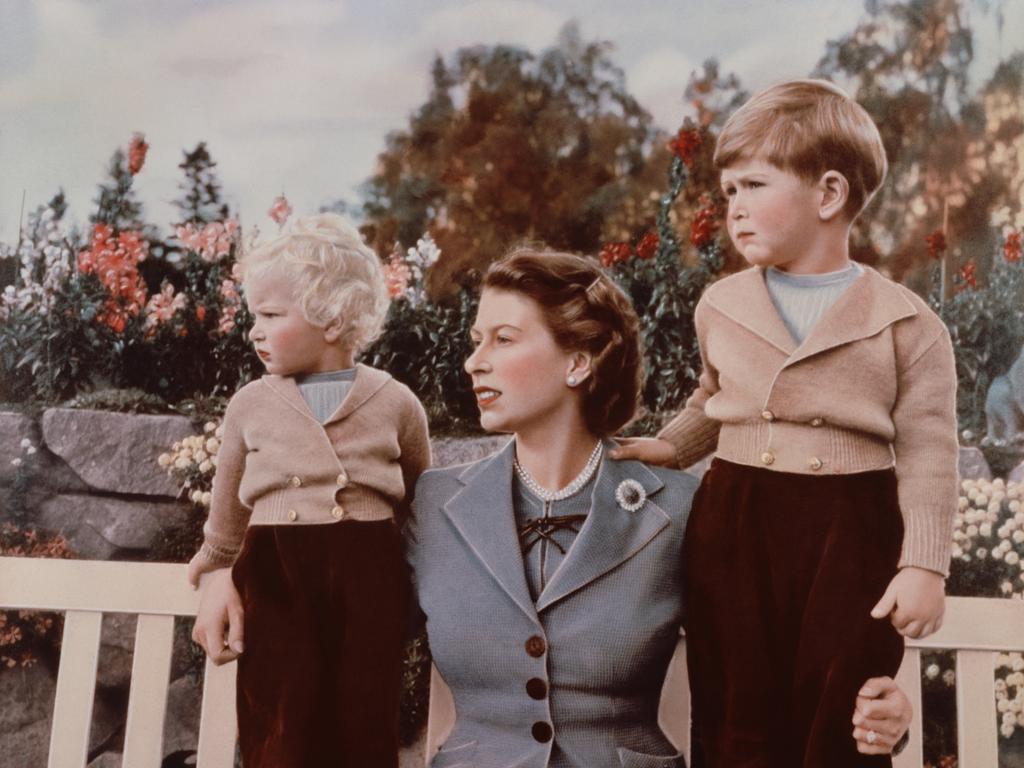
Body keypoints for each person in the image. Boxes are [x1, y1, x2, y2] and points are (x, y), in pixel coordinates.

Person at [194, 248, 914, 766]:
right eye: (475, 341)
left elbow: (784, 650)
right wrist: (222, 572)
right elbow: (323, 600)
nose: (474, 361)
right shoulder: (431, 507)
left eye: (502, 340)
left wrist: (883, 712)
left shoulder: (684, 509)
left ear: (579, 361)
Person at [612, 79, 957, 767]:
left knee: (842, 715)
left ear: (828, 195)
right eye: (729, 191)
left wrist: (924, 564)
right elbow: (713, 398)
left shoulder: (907, 323)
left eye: (754, 186)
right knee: (738, 709)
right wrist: (671, 447)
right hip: (737, 520)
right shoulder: (723, 303)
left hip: (850, 529)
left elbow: (928, 450)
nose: (733, 208)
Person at [186, 213, 431, 768]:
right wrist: (218, 574)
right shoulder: (250, 403)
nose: (255, 330)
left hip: (370, 573)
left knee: (366, 722)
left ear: (333, 318)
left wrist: (423, 585)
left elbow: (423, 504)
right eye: (254, 315)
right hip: (276, 573)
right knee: (280, 722)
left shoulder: (395, 402)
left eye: (271, 315)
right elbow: (226, 512)